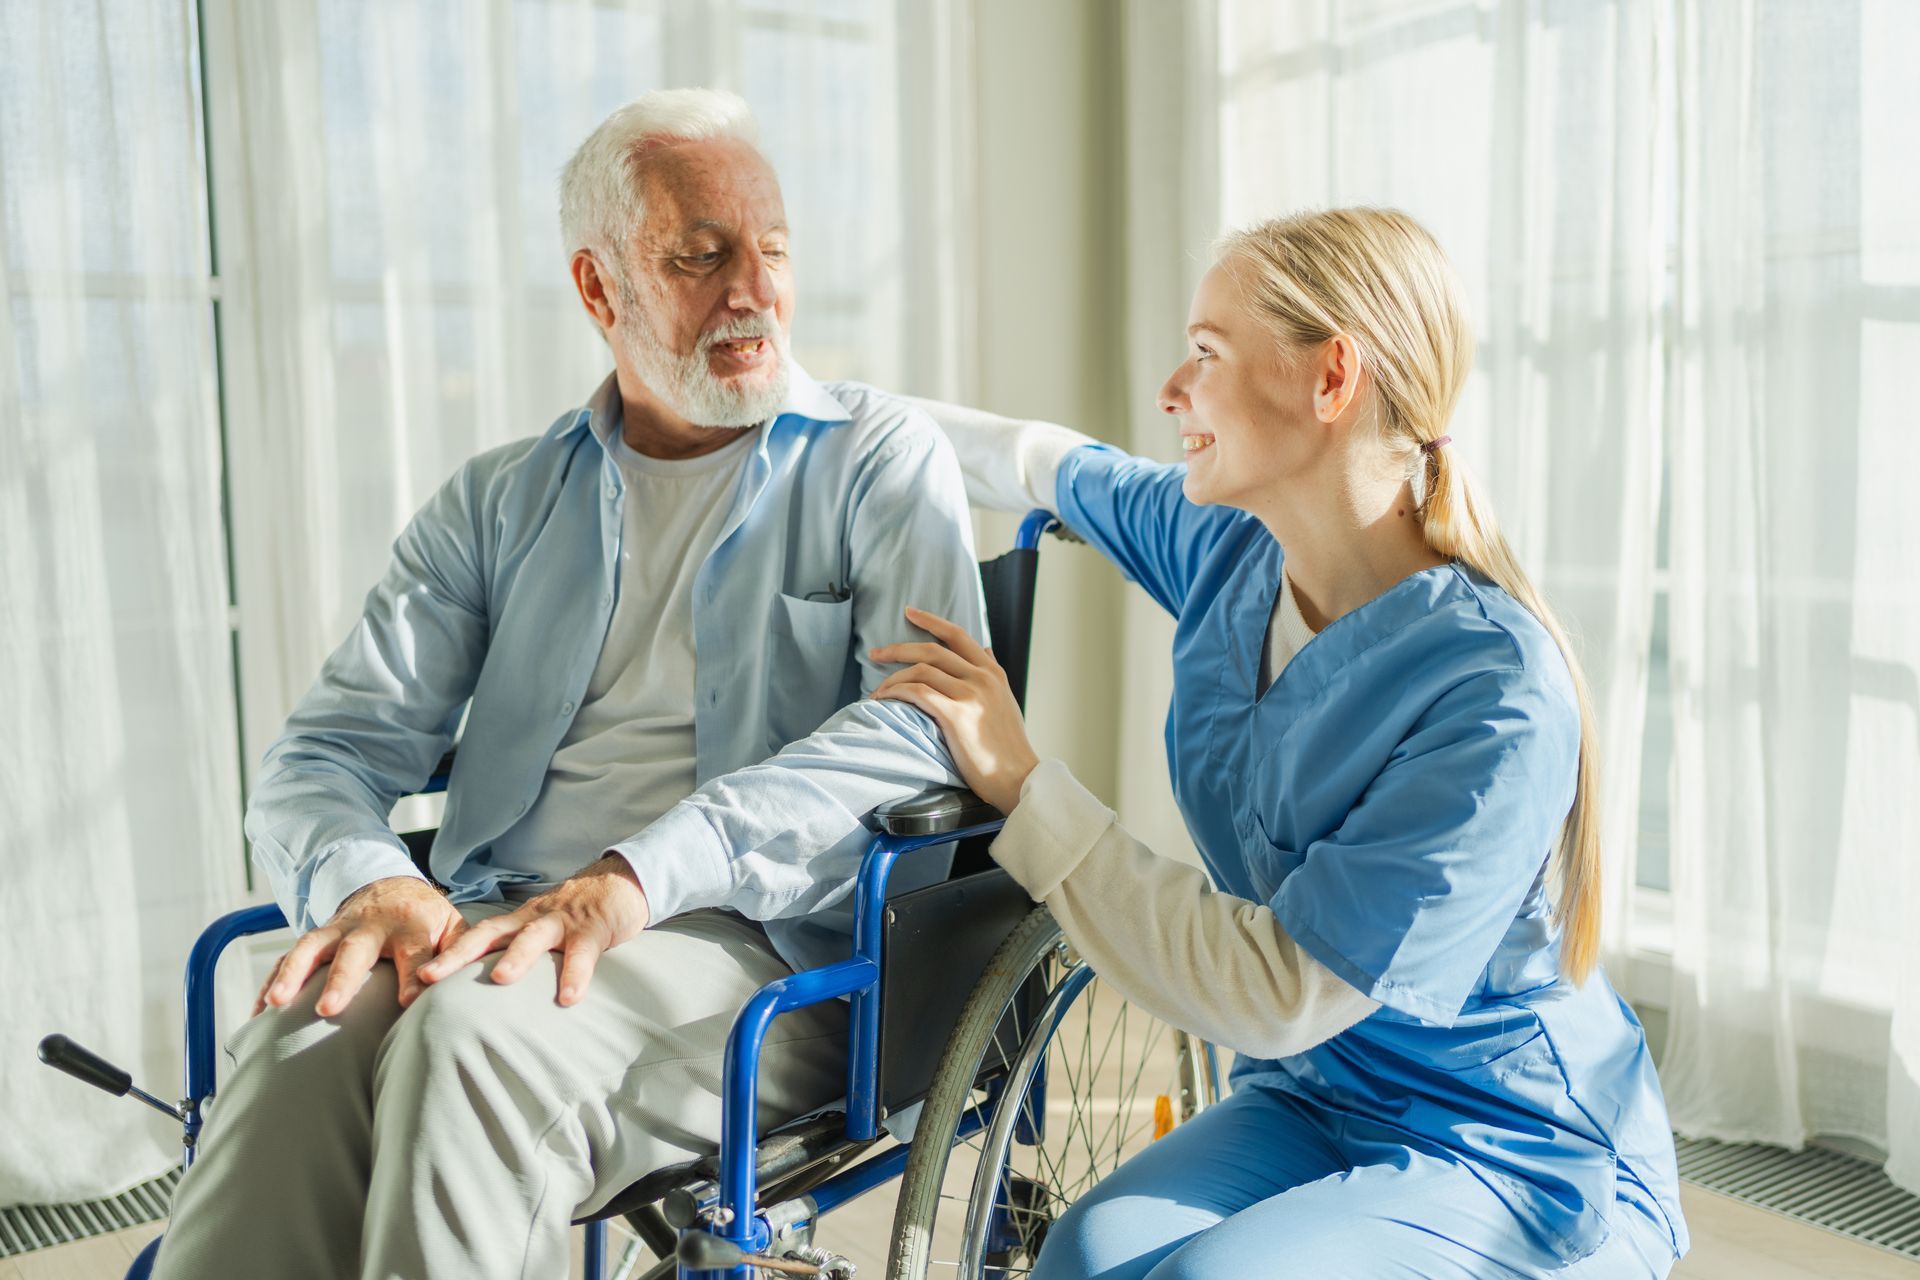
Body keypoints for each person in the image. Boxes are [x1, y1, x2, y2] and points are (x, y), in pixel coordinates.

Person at [151, 88, 987, 1280]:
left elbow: (921, 730)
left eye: (774, 252)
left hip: (761, 948)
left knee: (470, 1037)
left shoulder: (880, 462)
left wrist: (641, 873)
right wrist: (374, 876)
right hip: (496, 915)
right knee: (303, 1030)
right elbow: (326, 754)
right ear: (600, 289)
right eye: (701, 256)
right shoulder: (496, 502)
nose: (752, 290)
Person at [882, 208, 1689, 1278]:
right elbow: (1038, 460)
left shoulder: (1494, 692)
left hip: (1507, 1141)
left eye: (1207, 354)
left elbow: (1277, 990)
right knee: (1085, 1251)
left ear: (1330, 377)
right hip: (1316, 1090)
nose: (1171, 388)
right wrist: (795, 404)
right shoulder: (1226, 549)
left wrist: (1029, 788)